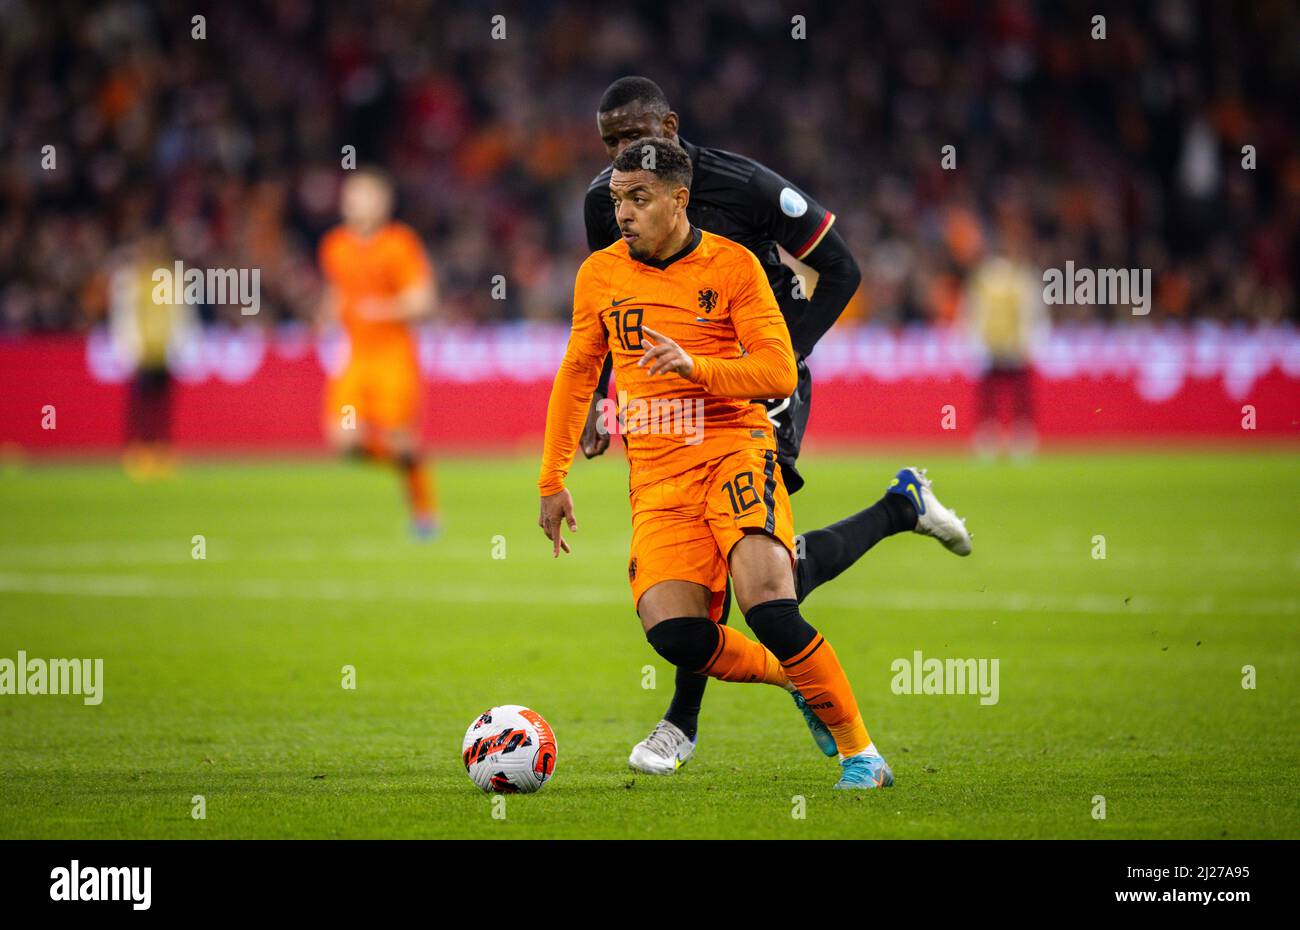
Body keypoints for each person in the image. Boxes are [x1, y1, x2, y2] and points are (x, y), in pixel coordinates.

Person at [579, 77, 971, 774]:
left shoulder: (747, 187)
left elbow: (841, 269)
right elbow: (617, 313)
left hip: (756, 392)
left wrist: (782, 357)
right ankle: (897, 509)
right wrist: (599, 399)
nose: (622, 155)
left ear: (670, 124)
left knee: (749, 565)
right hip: (672, 403)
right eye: (610, 144)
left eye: (633, 136)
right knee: (756, 568)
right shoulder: (605, 204)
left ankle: (682, 724)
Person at [539, 136, 894, 789]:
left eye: (638, 199)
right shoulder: (600, 275)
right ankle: (793, 676)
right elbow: (577, 370)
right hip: (656, 476)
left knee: (766, 602)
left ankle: (860, 754)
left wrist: (695, 366)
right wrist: (552, 478)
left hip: (734, 447)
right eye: (617, 200)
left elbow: (780, 368)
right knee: (675, 636)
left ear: (679, 200)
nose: (622, 214)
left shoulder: (732, 266)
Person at [317, 168, 440, 538]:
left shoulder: (399, 244)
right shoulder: (334, 246)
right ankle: (410, 461)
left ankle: (424, 511)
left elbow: (423, 301)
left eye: (366, 196)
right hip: (356, 358)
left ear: (384, 202)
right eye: (352, 197)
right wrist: (326, 313)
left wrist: (382, 309)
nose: (358, 204)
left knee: (400, 441)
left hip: (394, 357)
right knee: (343, 439)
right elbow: (340, 291)